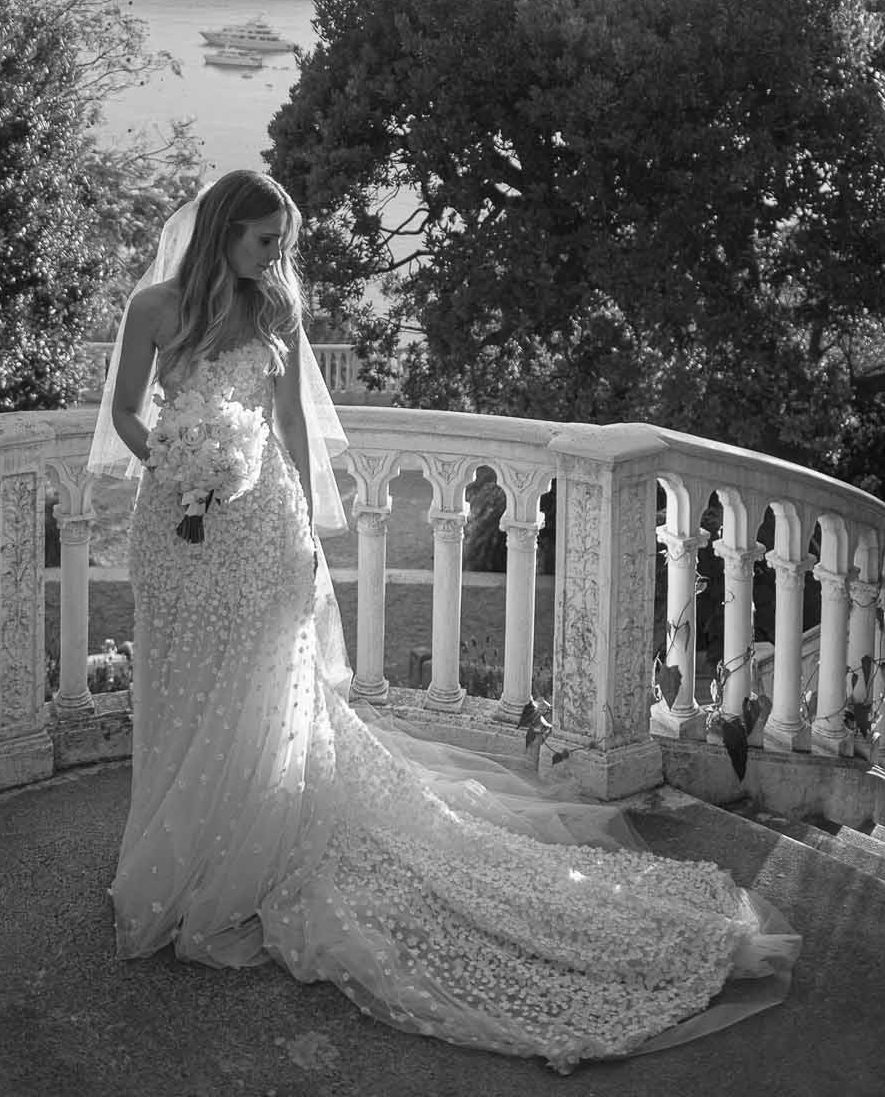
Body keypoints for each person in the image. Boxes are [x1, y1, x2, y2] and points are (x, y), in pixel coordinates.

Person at [87, 170, 799, 1073]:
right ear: (225, 230)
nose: (279, 258)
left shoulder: (275, 310)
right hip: (177, 527)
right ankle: (177, 840)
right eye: (266, 240)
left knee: (265, 689)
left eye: (283, 243)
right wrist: (176, 467)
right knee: (182, 683)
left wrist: (305, 523)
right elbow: (122, 411)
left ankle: (243, 845)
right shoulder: (154, 306)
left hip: (261, 523)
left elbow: (295, 431)